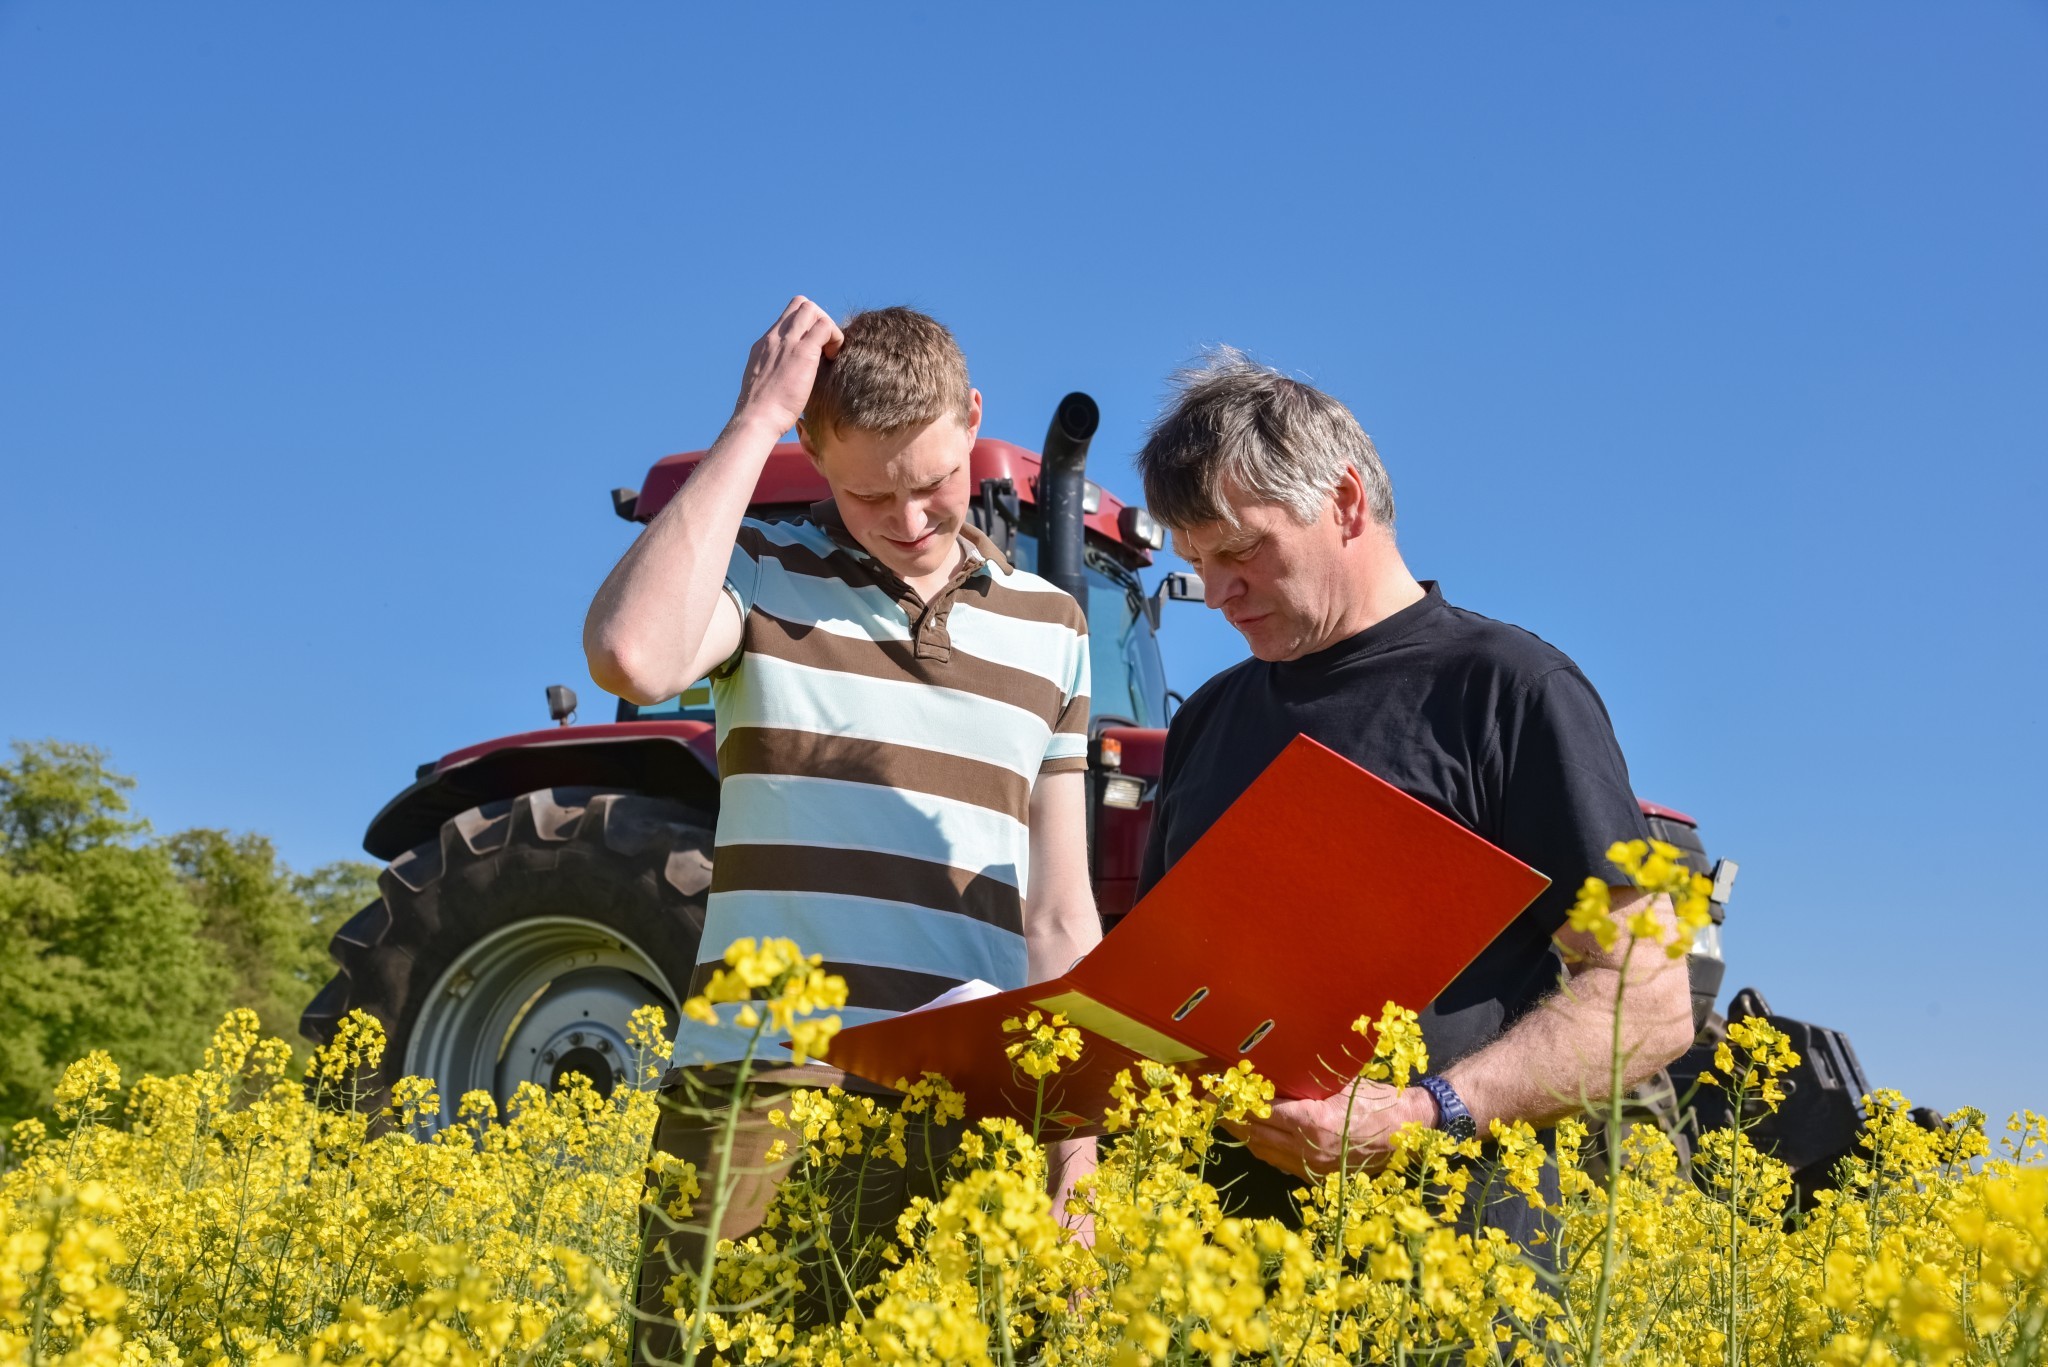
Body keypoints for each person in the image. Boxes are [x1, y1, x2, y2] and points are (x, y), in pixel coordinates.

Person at [585, 298, 1102, 1357]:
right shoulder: (759, 574)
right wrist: (754, 417)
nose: (910, 518)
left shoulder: (1053, 625)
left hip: (975, 1092)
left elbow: (1057, 909)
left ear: (971, 417)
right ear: (811, 449)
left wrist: (1074, 1154)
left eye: (935, 483)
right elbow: (632, 657)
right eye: (868, 492)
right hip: (763, 1084)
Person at [1132, 350, 1698, 1250]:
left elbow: (1651, 998)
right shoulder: (1206, 720)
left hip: (1453, 1273)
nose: (1217, 592)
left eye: (1241, 549)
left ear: (1347, 502)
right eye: (1196, 561)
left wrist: (1426, 1110)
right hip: (1221, 1274)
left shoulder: (1510, 690)